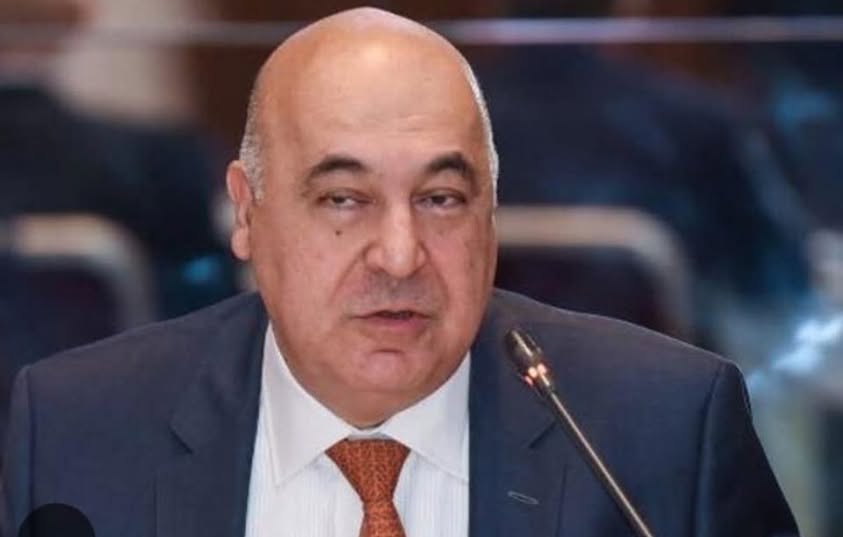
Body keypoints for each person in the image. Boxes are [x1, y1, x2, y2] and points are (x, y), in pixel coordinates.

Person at [1, 7, 798, 537]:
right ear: (246, 212)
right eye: (343, 199)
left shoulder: (663, 430)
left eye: (441, 198)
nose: (398, 254)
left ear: (491, 213)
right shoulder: (80, 429)